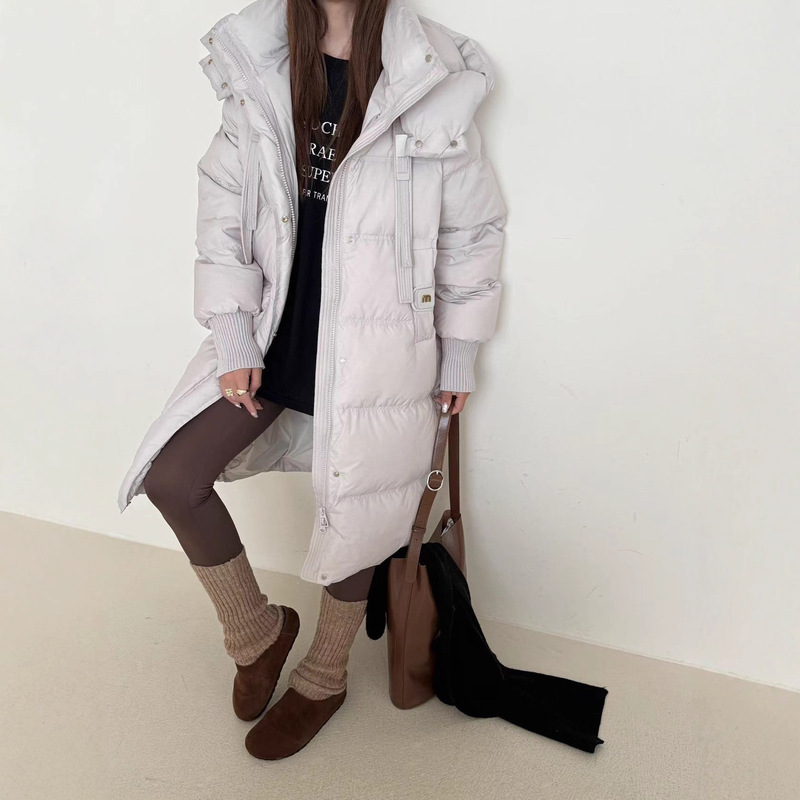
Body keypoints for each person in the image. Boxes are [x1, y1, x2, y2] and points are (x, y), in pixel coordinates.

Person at [117, 0, 506, 760]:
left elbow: (470, 230)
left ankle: (325, 676)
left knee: (363, 504)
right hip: (279, 328)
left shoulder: (432, 70)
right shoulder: (259, 51)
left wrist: (460, 351)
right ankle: (256, 635)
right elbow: (223, 205)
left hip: (378, 341)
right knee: (174, 478)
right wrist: (234, 331)